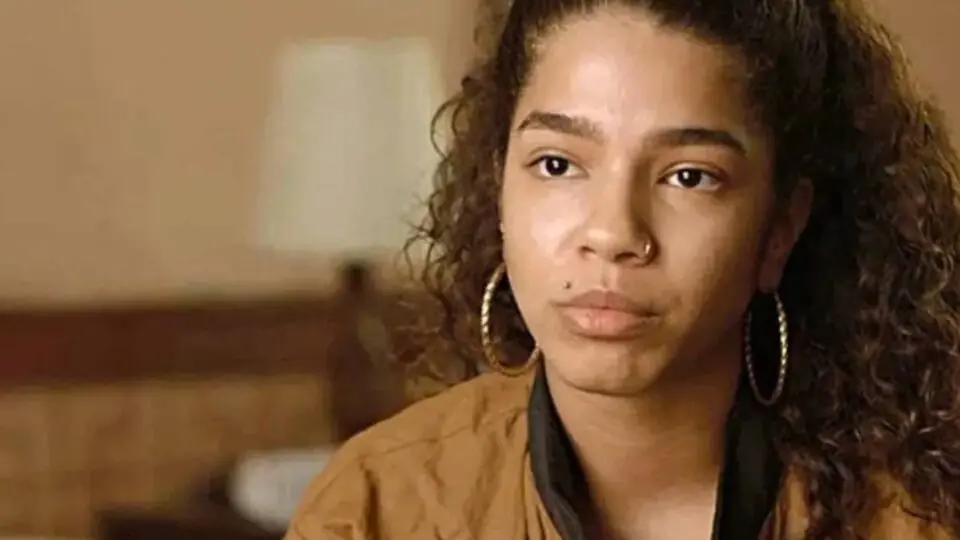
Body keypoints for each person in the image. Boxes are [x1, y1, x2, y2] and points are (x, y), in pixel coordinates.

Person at [285, 0, 960, 538]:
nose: (612, 234)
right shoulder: (375, 510)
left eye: (689, 176)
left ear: (780, 229)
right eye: (557, 164)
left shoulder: (916, 515)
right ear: (499, 191)